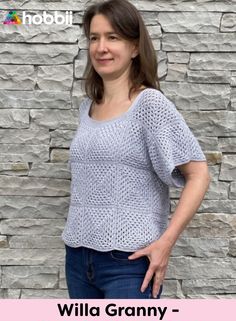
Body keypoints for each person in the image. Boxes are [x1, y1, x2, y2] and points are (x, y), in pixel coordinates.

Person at [62, 0, 211, 299]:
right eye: (94, 38)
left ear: (133, 47)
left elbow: (199, 173)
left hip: (128, 265)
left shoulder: (150, 105)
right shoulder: (87, 108)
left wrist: (166, 242)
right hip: (78, 259)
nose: (101, 47)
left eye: (113, 37)